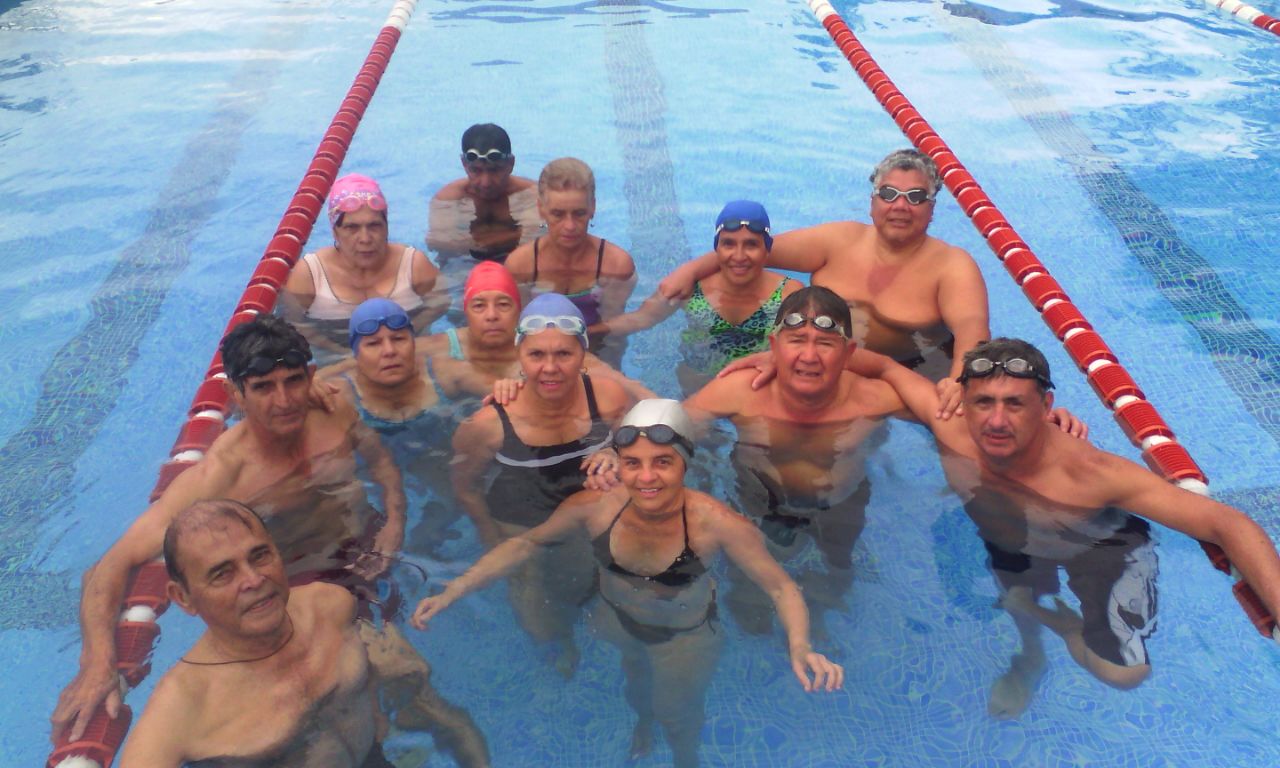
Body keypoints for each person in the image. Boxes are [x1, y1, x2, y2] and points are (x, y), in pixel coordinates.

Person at [853, 337, 1280, 719]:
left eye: (1016, 404)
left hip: (1092, 544)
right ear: (962, 397)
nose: (997, 421)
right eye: (984, 402)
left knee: (1123, 673)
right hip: (1008, 538)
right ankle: (1030, 657)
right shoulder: (948, 422)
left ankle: (1066, 625)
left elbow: (1227, 523)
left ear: (1046, 405)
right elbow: (885, 367)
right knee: (1016, 592)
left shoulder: (1091, 473)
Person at [412, 400, 843, 768]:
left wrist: (800, 646)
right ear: (618, 463)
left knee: (677, 712)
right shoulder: (596, 507)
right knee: (637, 690)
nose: (646, 478)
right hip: (616, 621)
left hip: (684, 638)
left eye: (663, 463)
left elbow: (782, 588)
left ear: (685, 462)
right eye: (632, 464)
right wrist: (456, 589)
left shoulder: (716, 525)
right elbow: (525, 544)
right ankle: (642, 723)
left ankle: (684, 758)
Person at [659, 148, 990, 414]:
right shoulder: (839, 239)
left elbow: (973, 332)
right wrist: (690, 270)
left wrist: (959, 380)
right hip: (812, 367)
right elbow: (752, 250)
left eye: (916, 197)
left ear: (932, 208)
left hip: (902, 375)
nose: (901, 205)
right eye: (889, 193)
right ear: (872, 201)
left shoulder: (952, 266)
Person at [118, 500, 389, 767]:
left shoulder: (330, 606)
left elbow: (372, 667)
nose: (254, 579)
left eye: (259, 556)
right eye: (222, 573)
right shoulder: (183, 707)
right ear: (184, 598)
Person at [449, 292, 635, 674]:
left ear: (583, 354)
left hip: (587, 506)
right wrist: (488, 534)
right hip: (520, 511)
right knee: (526, 579)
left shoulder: (609, 398)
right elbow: (465, 486)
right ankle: (553, 645)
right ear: (520, 356)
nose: (550, 368)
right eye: (536, 355)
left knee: (606, 573)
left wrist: (617, 455)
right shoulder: (487, 426)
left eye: (563, 354)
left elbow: (644, 451)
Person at [590, 200, 800, 394]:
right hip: (696, 388)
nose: (738, 256)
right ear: (716, 247)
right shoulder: (690, 289)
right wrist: (585, 333)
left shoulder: (788, 294)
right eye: (728, 244)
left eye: (751, 245)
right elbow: (641, 319)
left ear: (767, 249)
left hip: (757, 392)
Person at [419, 261, 653, 404]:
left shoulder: (541, 344)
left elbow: (621, 382)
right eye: (479, 305)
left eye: (503, 304)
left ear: (518, 311)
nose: (492, 315)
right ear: (466, 311)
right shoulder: (441, 347)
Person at [282, 173, 443, 360]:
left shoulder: (414, 265)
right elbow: (294, 327)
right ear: (335, 232)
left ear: (386, 227)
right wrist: (346, 355)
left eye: (374, 226)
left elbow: (441, 304)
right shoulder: (309, 275)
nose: (365, 239)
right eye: (352, 228)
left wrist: (405, 338)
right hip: (337, 365)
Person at [503, 157, 636, 365]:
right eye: (558, 214)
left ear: (593, 208)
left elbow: (611, 334)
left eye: (579, 214)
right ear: (541, 209)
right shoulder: (522, 266)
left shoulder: (615, 266)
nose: (570, 226)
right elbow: (518, 332)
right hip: (540, 359)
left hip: (596, 354)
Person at [426, 123, 541, 288]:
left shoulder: (531, 194)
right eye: (476, 170)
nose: (485, 182)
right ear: (464, 164)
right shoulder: (449, 198)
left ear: (510, 164)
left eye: (494, 170)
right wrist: (513, 235)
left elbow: (539, 241)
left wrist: (476, 242)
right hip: (467, 266)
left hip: (516, 262)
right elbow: (438, 244)